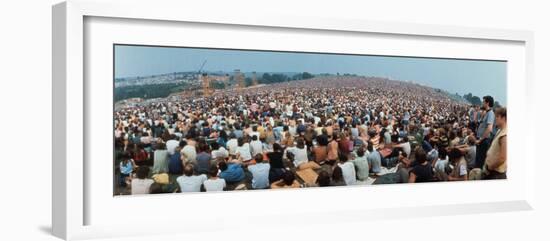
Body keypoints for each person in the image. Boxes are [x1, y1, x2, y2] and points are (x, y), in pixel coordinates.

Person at [483, 107, 507, 179]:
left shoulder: (505, 135)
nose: (495, 118)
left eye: (497, 116)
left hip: (496, 173)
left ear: (504, 118)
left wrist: (491, 167)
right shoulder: (500, 131)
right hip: (492, 171)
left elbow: (502, 158)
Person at [475, 95, 495, 168]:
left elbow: (489, 128)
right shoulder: (486, 112)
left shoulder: (490, 113)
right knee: (478, 160)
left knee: (480, 161)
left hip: (483, 141)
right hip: (481, 140)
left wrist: (480, 139)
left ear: (487, 103)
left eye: (483, 102)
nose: (482, 103)